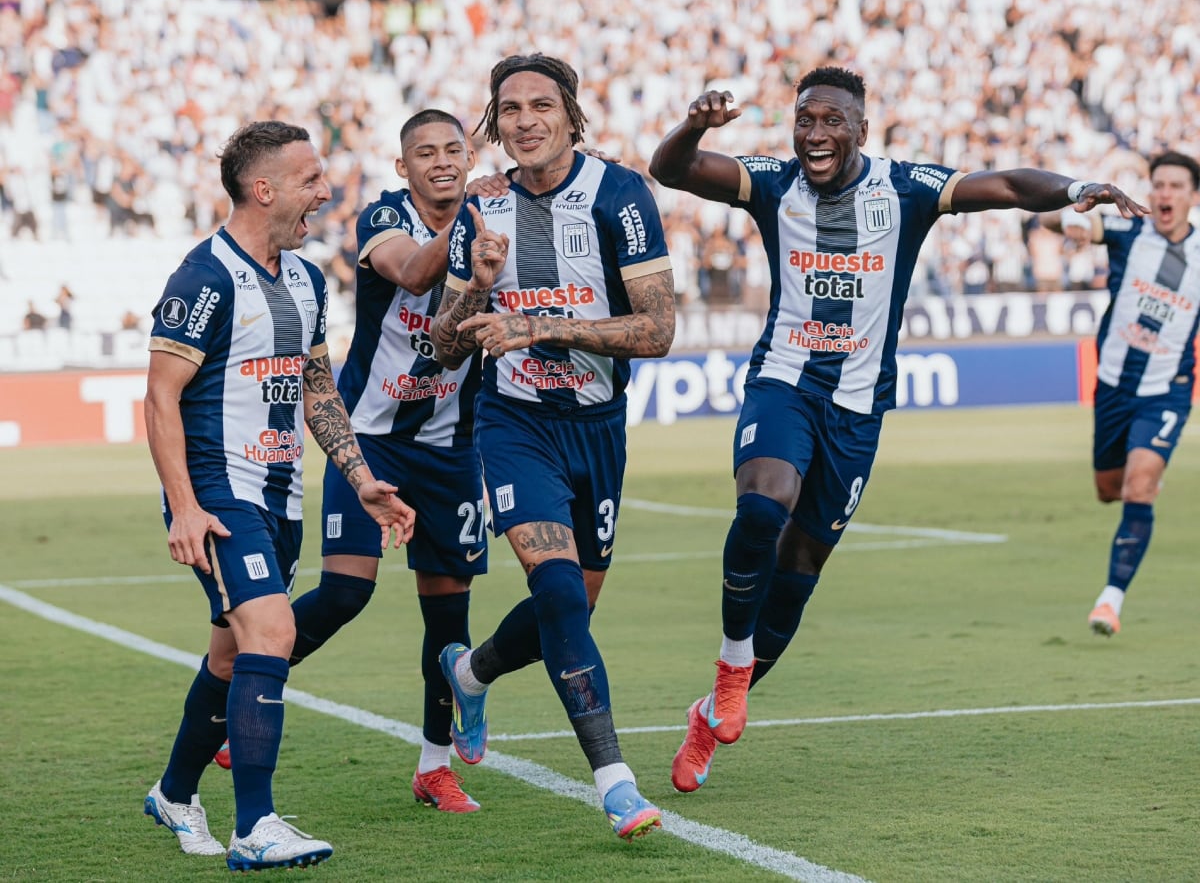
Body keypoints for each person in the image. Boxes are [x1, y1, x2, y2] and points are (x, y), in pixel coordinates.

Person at [647, 67, 1147, 794]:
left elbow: (1006, 186)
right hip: (785, 380)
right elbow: (673, 170)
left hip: (858, 407)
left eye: (832, 122)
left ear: (861, 130)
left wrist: (1076, 189)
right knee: (762, 506)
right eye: (805, 120)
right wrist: (695, 123)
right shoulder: (771, 183)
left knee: (799, 573)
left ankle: (710, 716)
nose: (816, 135)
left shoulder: (906, 187)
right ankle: (730, 667)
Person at [142, 120, 415, 871]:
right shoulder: (204, 278)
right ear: (264, 190)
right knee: (272, 635)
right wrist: (186, 506)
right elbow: (160, 397)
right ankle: (255, 825)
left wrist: (361, 480)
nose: (325, 194)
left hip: (281, 497)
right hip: (219, 494)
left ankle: (172, 794)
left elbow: (316, 386)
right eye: (311, 181)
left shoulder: (304, 278)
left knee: (231, 661)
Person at [430, 53, 675, 840]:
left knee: (569, 605)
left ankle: (469, 673)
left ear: (572, 116)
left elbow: (659, 329)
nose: (525, 120)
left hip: (598, 430)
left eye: (542, 106)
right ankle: (616, 784)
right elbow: (441, 348)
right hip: (514, 424)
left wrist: (538, 323)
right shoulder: (480, 205)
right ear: (493, 124)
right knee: (564, 599)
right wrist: (475, 284)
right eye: (509, 109)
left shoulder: (622, 194)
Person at [293, 108, 489, 813]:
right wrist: (467, 218)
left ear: (468, 157)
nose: (441, 161)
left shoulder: (494, 216)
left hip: (450, 449)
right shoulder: (382, 218)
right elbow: (410, 274)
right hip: (369, 436)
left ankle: (434, 769)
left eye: (453, 150)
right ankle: (248, 681)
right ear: (402, 167)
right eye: (425, 153)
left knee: (448, 624)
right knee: (346, 593)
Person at [1040, 150, 1200, 637]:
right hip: (1111, 386)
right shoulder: (1129, 234)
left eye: (1176, 186)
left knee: (1137, 488)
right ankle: (1142, 475)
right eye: (1159, 185)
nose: (1165, 194)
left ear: (1193, 196)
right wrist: (1075, 211)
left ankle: (1110, 601)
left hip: (1166, 391)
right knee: (1108, 491)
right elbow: (1051, 222)